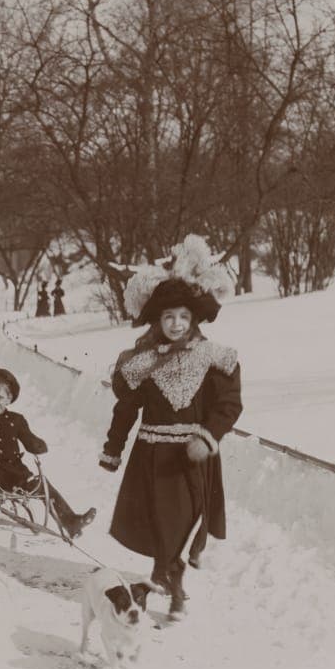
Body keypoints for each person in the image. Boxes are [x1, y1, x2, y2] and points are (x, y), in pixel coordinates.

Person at [98, 235, 242, 621]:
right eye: (168, 317)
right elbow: (126, 408)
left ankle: (167, 569)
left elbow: (229, 405)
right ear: (158, 321)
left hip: (194, 457)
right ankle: (174, 585)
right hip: (153, 457)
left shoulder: (216, 359)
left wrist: (207, 436)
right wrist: (114, 448)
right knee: (166, 521)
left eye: (183, 316)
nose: (176, 324)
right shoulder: (140, 363)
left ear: (194, 318)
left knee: (187, 517)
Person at [0, 367, 96, 542]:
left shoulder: (17, 420)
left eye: (0, 397)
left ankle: (70, 521)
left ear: (9, 399)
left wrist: (36, 445)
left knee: (42, 484)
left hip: (15, 475)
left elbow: (27, 438)